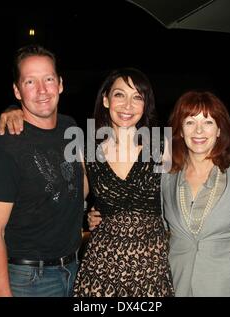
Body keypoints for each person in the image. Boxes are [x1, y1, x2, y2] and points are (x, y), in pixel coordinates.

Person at [0, 44, 86, 297]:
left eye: (48, 79)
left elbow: (77, 189)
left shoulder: (71, 128)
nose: (42, 90)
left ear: (60, 84)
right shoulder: (4, 145)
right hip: (29, 281)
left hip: (75, 269)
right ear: (17, 90)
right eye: (29, 82)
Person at [74, 68, 174, 297]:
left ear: (145, 104)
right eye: (120, 95)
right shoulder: (86, 148)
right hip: (101, 270)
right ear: (106, 100)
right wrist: (87, 214)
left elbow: (187, 188)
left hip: (150, 270)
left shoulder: (162, 146)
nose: (128, 105)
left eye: (137, 97)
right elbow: (71, 203)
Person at [161, 90, 230, 297]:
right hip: (177, 285)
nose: (198, 131)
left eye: (208, 122)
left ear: (219, 130)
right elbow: (153, 220)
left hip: (229, 287)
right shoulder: (165, 176)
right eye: (189, 122)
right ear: (179, 130)